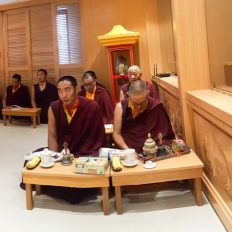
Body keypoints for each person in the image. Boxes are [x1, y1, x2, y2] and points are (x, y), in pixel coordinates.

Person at [34, 75, 106, 204]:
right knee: (34, 159)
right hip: (63, 151)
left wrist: (78, 156)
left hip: (85, 150)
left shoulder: (92, 106)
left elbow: (97, 137)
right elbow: (52, 136)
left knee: (78, 184)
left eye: (67, 90)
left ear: (77, 89)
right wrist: (54, 156)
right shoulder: (54, 107)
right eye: (60, 91)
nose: (63, 95)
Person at [113, 81, 175, 153]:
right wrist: (127, 150)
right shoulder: (120, 107)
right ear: (128, 95)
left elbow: (166, 134)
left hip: (153, 150)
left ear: (148, 93)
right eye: (135, 103)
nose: (139, 107)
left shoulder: (156, 107)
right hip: (129, 151)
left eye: (143, 103)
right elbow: (116, 134)